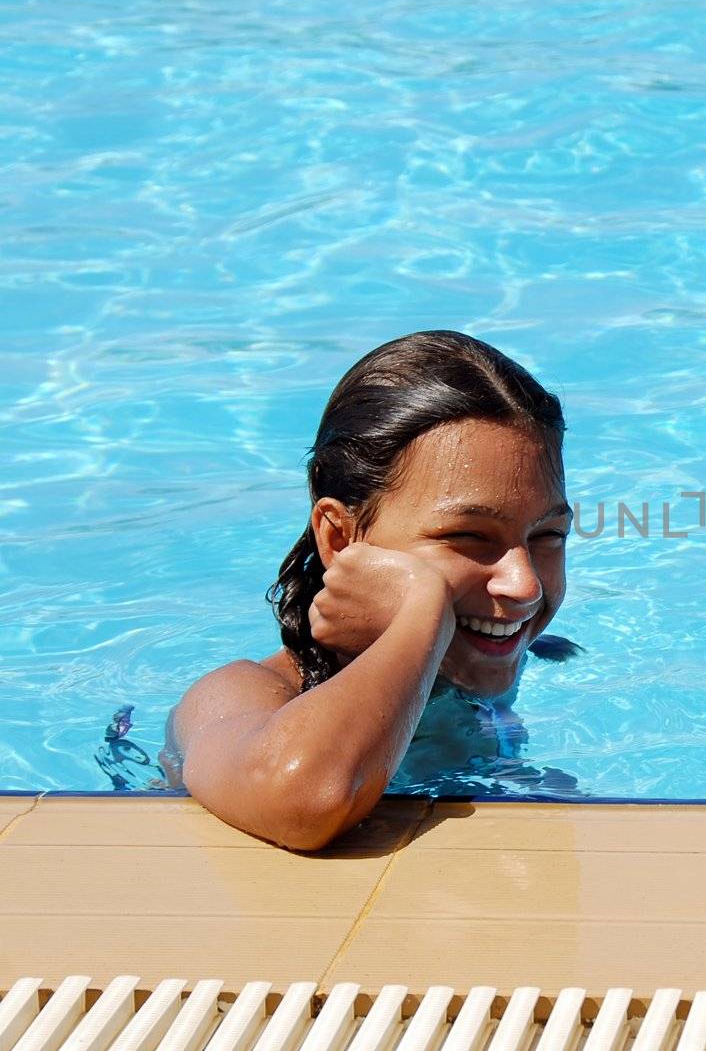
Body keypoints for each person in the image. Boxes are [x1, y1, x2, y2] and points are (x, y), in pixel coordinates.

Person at [162, 331, 576, 850]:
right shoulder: (238, 694)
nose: (524, 585)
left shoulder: (492, 656)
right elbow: (304, 799)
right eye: (467, 536)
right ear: (339, 537)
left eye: (547, 536)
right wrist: (423, 609)